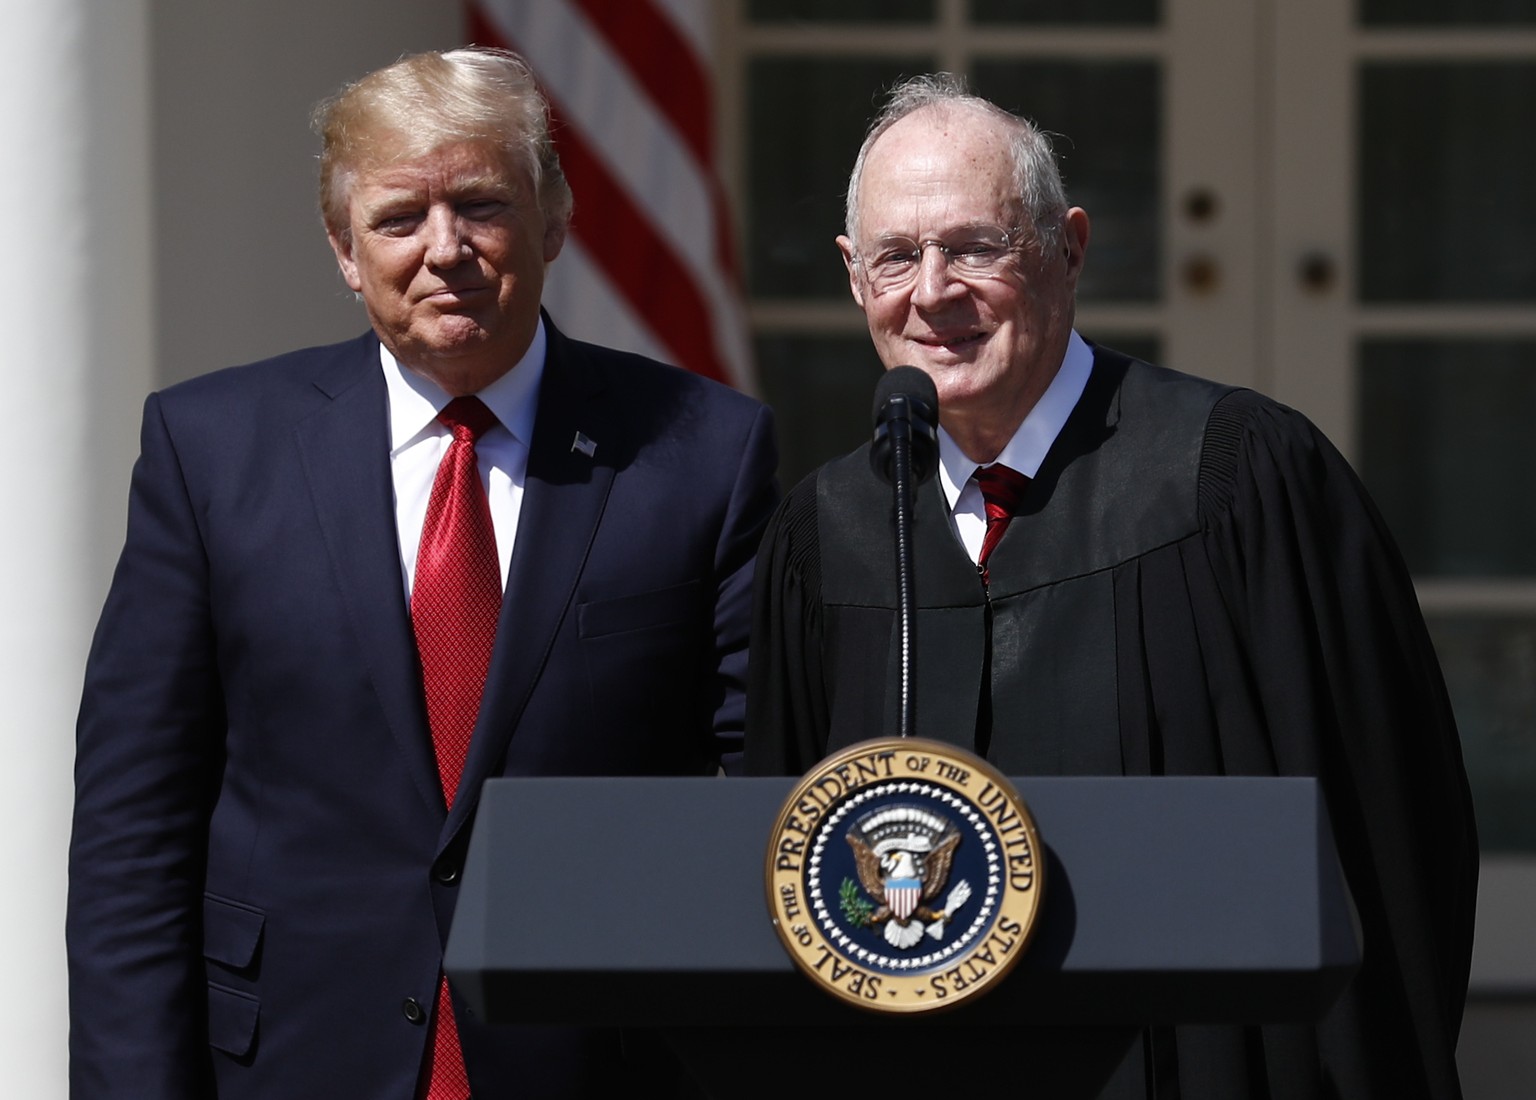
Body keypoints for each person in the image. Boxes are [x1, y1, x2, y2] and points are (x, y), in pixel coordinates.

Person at [745, 73, 1476, 1097]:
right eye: (897, 256)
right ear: (852, 275)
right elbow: (793, 877)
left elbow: (1393, 837)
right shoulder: (827, 536)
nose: (933, 291)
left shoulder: (1235, 479)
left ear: (1069, 247)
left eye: (975, 246)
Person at [68, 47, 777, 1099]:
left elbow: (768, 795)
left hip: (599, 1063)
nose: (444, 249)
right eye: (400, 218)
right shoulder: (211, 451)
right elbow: (135, 830)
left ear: (555, 223)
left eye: (483, 205)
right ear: (345, 251)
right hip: (288, 1061)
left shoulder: (701, 452)